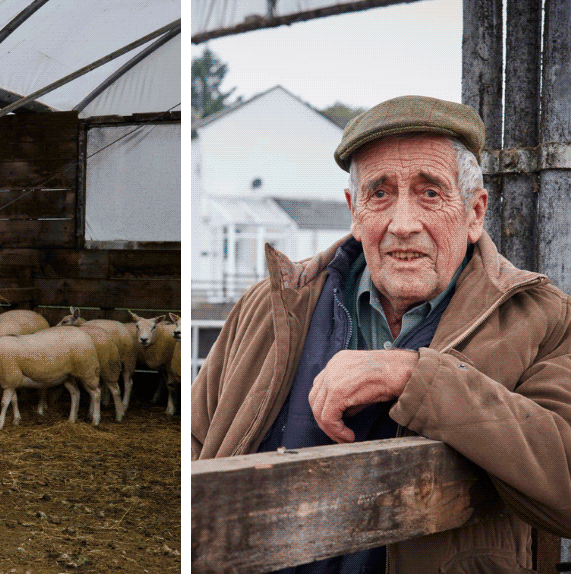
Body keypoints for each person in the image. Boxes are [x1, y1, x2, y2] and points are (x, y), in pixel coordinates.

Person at [191, 95, 571, 572]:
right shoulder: (264, 309)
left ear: (474, 214)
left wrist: (416, 376)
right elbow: (194, 443)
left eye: (430, 193)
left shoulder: (540, 318)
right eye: (380, 193)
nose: (403, 224)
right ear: (355, 210)